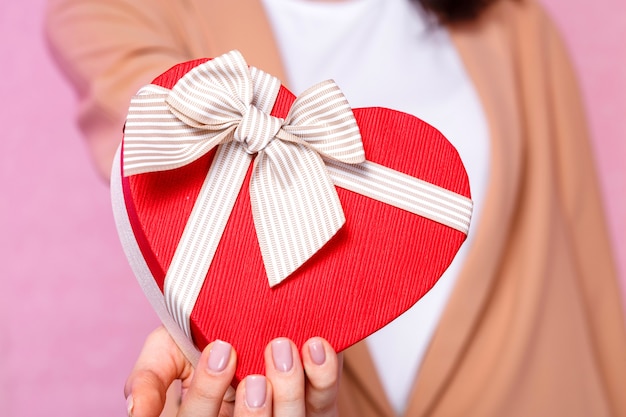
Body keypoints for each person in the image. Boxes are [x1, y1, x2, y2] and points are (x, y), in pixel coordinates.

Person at [45, 0, 626, 416]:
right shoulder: (115, 11)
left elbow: (592, 281)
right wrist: (203, 339)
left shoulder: (517, 27)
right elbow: (168, 144)